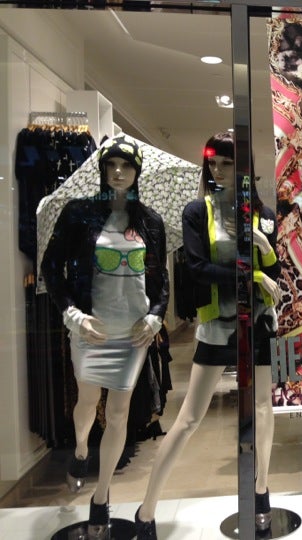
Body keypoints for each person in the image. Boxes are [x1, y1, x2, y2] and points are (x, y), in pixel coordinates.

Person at [135, 132, 281, 538]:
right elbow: (199, 269)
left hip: (259, 324)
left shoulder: (264, 213)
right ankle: (147, 509)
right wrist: (252, 274)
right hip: (218, 326)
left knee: (264, 409)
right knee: (188, 419)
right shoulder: (198, 211)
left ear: (243, 167)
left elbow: (275, 272)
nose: (217, 170)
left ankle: (262, 492)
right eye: (212, 163)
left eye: (227, 163)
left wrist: (265, 249)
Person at [41, 135, 169, 539]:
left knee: (118, 414)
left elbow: (161, 280)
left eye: (126, 166)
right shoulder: (79, 214)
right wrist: (72, 314)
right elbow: (51, 267)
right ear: (101, 169)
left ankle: (101, 497)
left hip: (133, 332)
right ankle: (81, 447)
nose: (117, 172)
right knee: (87, 401)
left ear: (136, 172)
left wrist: (155, 315)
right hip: (91, 328)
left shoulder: (149, 221)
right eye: (111, 165)